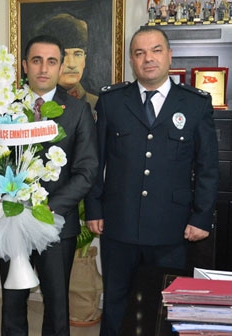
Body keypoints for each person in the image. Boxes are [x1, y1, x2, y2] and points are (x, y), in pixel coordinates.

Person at [84, 27, 219, 336]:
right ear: (132, 59)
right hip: (119, 223)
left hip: (171, 226)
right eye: (140, 53)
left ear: (169, 55)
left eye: (156, 50)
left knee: (168, 302)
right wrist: (93, 208)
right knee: (116, 300)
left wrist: (201, 217)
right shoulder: (112, 102)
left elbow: (208, 166)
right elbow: (96, 160)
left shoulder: (195, 103)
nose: (148, 59)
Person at [0, 34, 99, 336]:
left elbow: (86, 170)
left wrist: (45, 209)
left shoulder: (78, 111)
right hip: (11, 222)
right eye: (37, 60)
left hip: (56, 223)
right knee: (12, 300)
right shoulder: (5, 106)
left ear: (60, 67)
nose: (44, 68)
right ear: (25, 66)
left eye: (51, 61)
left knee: (56, 305)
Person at [36, 14, 98, 112]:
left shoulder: (96, 104)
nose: (71, 64)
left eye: (78, 54)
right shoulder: (36, 104)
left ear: (85, 59)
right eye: (64, 55)